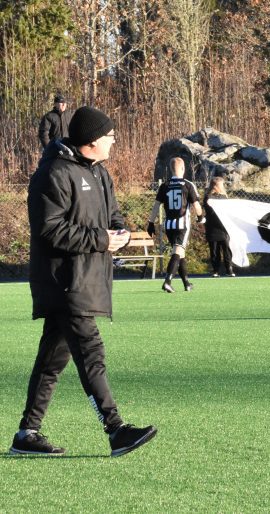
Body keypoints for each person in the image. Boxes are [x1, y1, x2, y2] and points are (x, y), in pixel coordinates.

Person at [12, 106, 157, 457]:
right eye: (110, 136)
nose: (114, 140)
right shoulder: (54, 173)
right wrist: (102, 239)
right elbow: (50, 229)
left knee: (51, 361)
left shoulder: (100, 173)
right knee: (91, 353)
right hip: (64, 282)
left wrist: (119, 232)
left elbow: (112, 215)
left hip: (88, 279)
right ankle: (116, 430)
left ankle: (26, 434)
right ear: (92, 140)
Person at [147, 157, 205, 293]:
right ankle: (167, 281)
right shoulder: (188, 185)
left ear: (170, 169)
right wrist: (201, 217)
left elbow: (156, 206)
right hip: (182, 224)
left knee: (180, 253)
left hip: (169, 225)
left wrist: (151, 222)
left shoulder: (165, 185)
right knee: (178, 252)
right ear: (184, 169)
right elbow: (196, 205)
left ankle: (186, 283)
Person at [204, 176, 235, 277]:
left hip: (223, 228)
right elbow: (210, 211)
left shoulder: (224, 197)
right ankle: (216, 270)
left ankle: (229, 269)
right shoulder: (208, 197)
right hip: (213, 227)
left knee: (226, 250)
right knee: (214, 250)